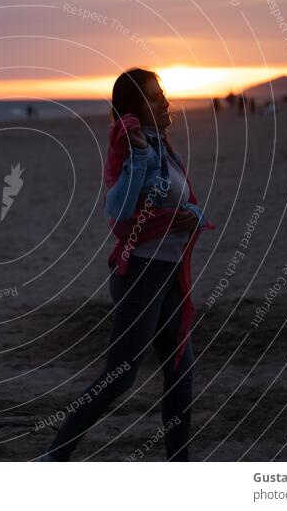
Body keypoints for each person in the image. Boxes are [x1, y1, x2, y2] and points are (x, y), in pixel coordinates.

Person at [41, 68, 212, 462]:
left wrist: (194, 218)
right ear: (134, 110)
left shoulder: (166, 150)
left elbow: (182, 209)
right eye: (154, 98)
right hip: (141, 274)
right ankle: (54, 458)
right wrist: (136, 158)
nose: (165, 102)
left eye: (163, 94)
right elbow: (118, 212)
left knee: (180, 372)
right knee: (120, 377)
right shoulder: (137, 152)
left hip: (168, 273)